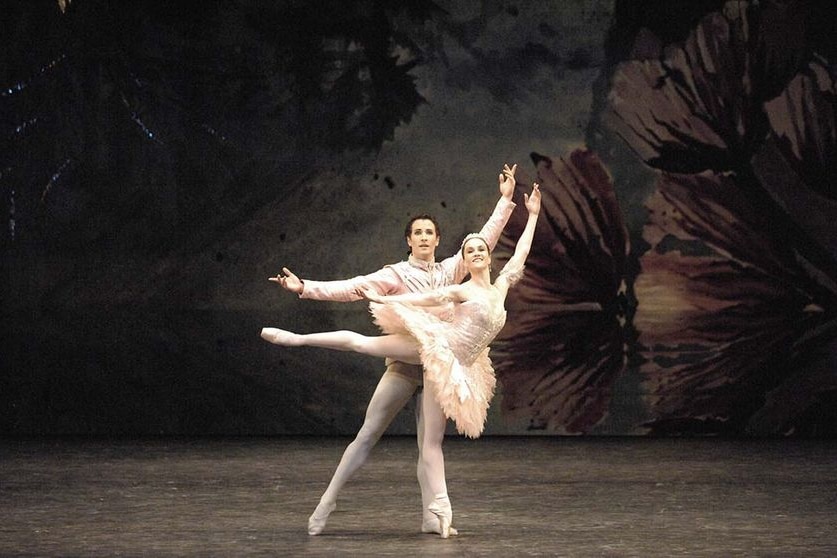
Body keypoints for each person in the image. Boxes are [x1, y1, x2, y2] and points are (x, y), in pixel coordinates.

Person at [262, 181, 541, 538]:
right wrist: (305, 287)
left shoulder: (451, 271)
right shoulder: (395, 273)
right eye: (417, 233)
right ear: (409, 240)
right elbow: (353, 287)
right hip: (407, 363)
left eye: (429, 233)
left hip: (443, 371)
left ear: (438, 240)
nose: (424, 238)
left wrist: (507, 202)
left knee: (430, 445)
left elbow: (483, 243)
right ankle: (328, 500)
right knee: (367, 434)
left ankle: (433, 516)